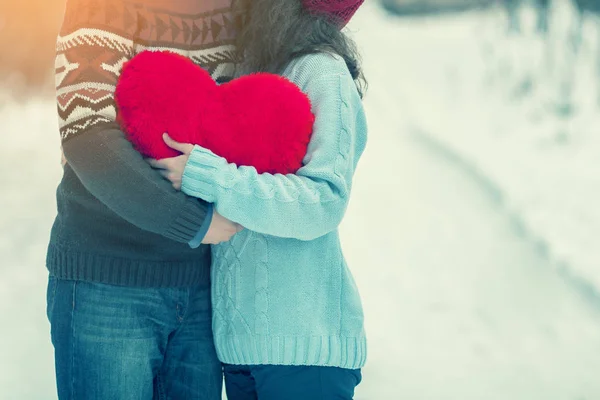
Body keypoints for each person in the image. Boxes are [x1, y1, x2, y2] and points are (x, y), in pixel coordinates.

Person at [150, 0, 368, 398]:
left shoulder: (321, 71)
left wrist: (209, 176)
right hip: (240, 353)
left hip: (305, 355)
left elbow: (324, 201)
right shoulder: (251, 71)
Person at [47, 0, 242, 398]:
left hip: (202, 289)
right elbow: (87, 133)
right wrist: (193, 221)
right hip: (106, 280)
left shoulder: (241, 9)